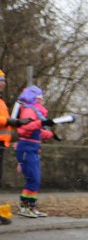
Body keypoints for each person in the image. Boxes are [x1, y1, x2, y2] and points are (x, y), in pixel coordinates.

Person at [14, 85, 55, 217]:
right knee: (33, 179)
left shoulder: (34, 111)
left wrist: (49, 134)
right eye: (39, 97)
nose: (42, 99)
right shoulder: (28, 110)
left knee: (35, 180)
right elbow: (23, 129)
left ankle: (31, 206)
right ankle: (24, 206)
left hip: (33, 148)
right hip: (26, 148)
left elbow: (35, 130)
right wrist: (41, 125)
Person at [0, 69, 30, 196]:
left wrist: (16, 122)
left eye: (3, 81)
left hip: (2, 142)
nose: (3, 83)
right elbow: (5, 121)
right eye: (0, 80)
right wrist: (10, 121)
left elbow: (7, 124)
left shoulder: (1, 101)